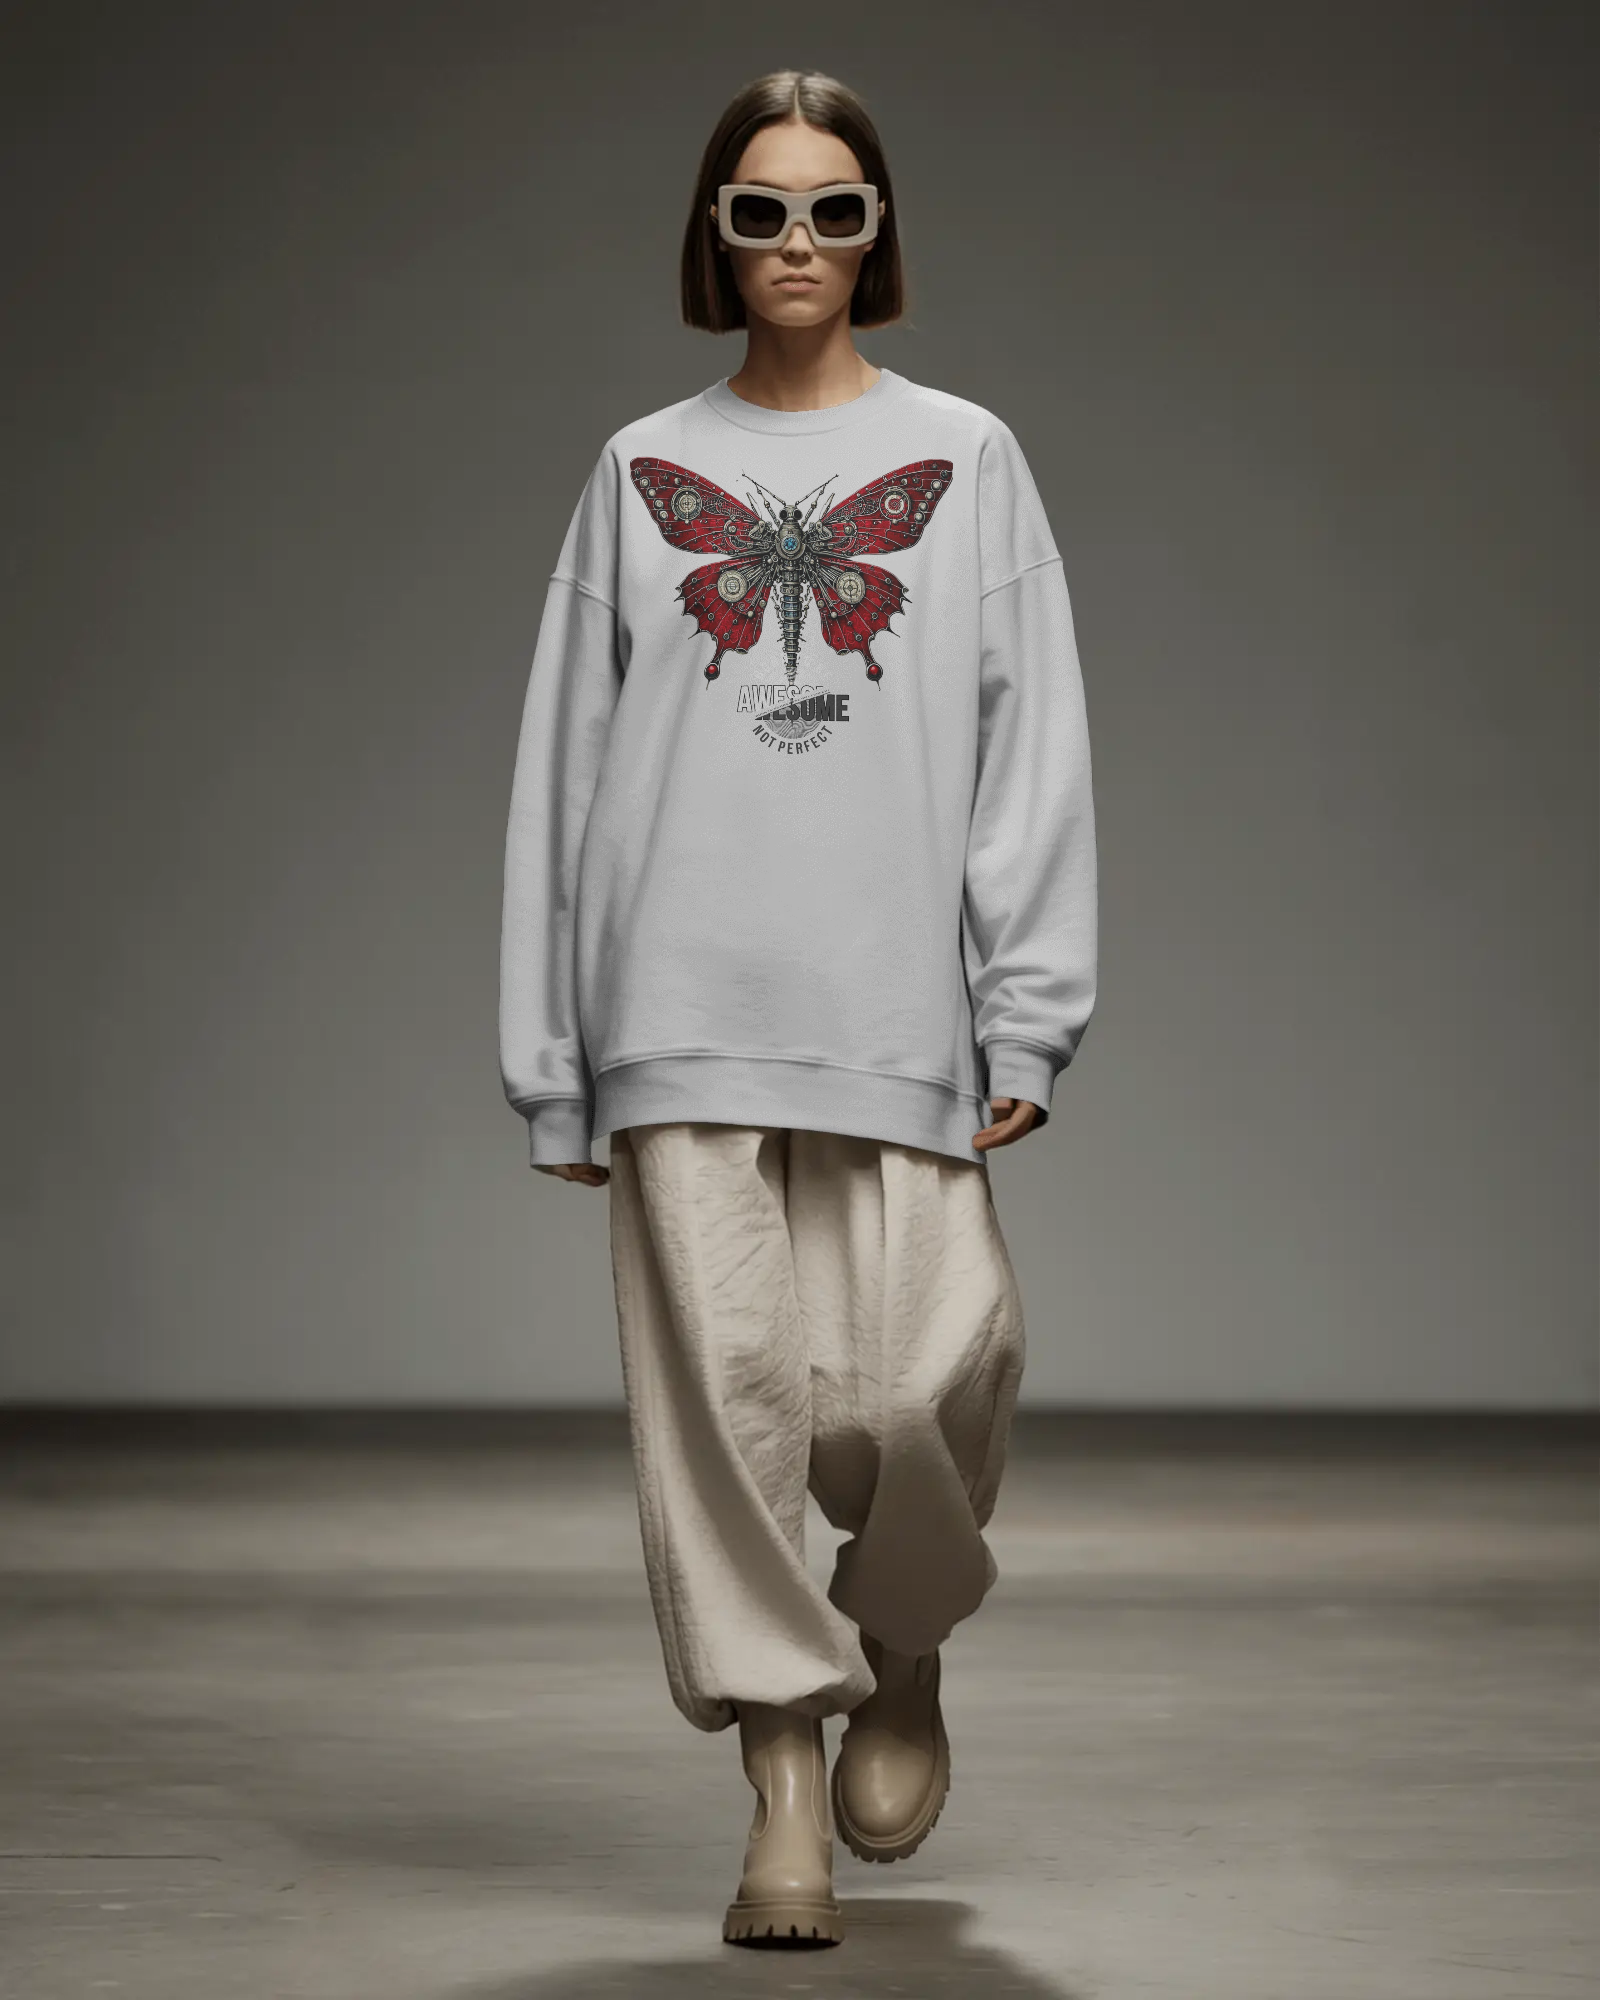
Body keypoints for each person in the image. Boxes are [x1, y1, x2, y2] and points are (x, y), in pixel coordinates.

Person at [497, 68, 1098, 1951]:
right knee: (730, 1409)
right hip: (676, 1001)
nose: (798, 243)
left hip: (892, 1002)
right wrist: (554, 1059)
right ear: (714, 234)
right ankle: (779, 1773)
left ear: (878, 231)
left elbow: (1029, 744)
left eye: (834, 208)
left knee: (922, 1380)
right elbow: (569, 772)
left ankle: (902, 1638)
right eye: (760, 210)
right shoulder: (636, 470)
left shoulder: (966, 460)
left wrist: (1027, 1007)